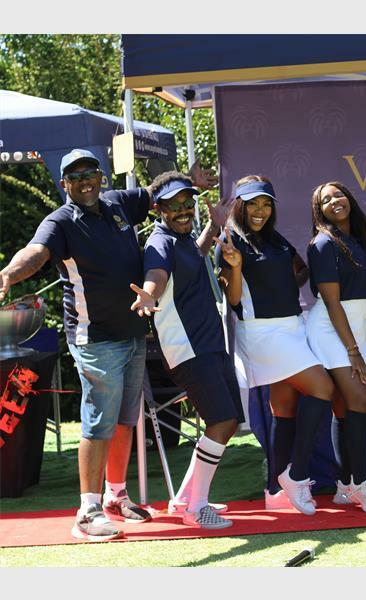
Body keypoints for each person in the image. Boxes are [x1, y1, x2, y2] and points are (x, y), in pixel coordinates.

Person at [0, 149, 215, 541]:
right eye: (75, 176)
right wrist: (9, 274)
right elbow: (36, 252)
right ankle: (87, 511)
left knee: (124, 420)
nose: (84, 181)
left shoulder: (118, 203)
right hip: (95, 339)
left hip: (132, 333)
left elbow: (157, 193)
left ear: (101, 176)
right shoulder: (60, 222)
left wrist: (190, 178)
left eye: (90, 173)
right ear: (64, 184)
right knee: (99, 421)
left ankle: (116, 495)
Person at [214, 175, 335, 516]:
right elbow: (233, 299)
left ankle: (274, 490)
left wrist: (286, 285)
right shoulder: (230, 240)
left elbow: (300, 270)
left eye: (266, 204)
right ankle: (296, 475)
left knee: (283, 407)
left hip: (292, 327)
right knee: (323, 389)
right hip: (263, 333)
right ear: (239, 205)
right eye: (252, 203)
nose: (260, 210)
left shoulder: (273, 237)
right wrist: (236, 267)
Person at [130, 170, 239, 529]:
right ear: (158, 209)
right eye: (173, 205)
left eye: (187, 203)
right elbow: (157, 275)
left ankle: (183, 500)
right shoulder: (159, 243)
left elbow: (195, 254)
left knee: (226, 421)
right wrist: (149, 294)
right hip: (188, 349)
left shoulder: (183, 238)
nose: (182, 210)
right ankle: (196, 508)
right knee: (222, 421)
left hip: (209, 345)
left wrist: (214, 225)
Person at [305, 181, 366, 514]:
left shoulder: (358, 240)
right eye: (326, 200)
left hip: (358, 327)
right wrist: (353, 350)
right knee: (359, 399)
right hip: (332, 328)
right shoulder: (323, 244)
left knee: (343, 406)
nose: (334, 201)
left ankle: (344, 485)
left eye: (338, 195)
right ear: (319, 211)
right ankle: (361, 483)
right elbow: (332, 303)